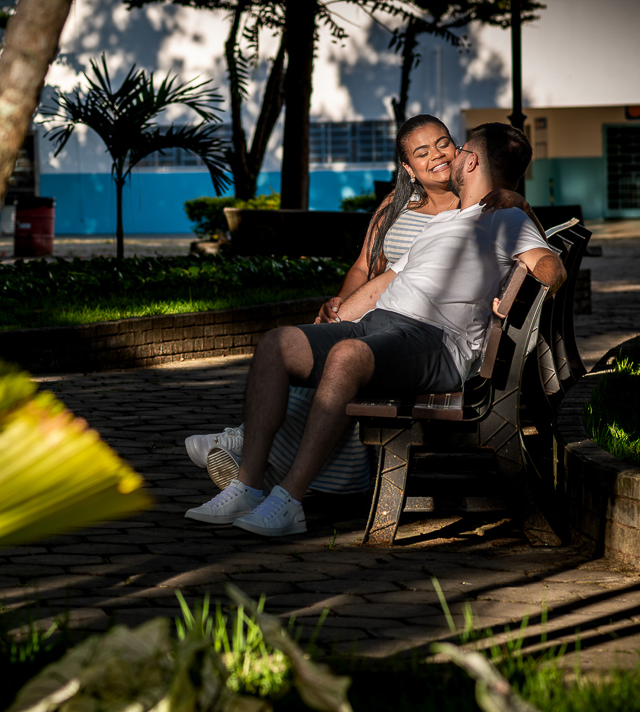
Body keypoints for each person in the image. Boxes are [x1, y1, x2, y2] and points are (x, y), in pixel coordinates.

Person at [185, 122, 565, 535]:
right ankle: (248, 486)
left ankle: (290, 499)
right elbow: (383, 282)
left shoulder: (504, 217)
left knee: (346, 358)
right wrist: (333, 319)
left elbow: (551, 266)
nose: (448, 156)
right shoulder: (442, 222)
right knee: (278, 344)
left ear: (470, 160)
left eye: (456, 148)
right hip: (379, 326)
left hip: (435, 342)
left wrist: (517, 293)